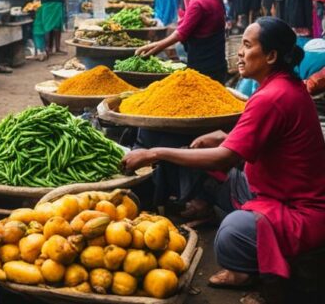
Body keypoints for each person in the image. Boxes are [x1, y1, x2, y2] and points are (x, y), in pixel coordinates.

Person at [123, 18, 325, 287]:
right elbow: (268, 142)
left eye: (247, 45)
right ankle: (207, 207)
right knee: (190, 154)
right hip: (268, 187)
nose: (240, 52)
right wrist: (226, 137)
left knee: (230, 233)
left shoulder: (272, 97)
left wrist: (154, 153)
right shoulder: (283, 85)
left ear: (271, 56)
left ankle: (245, 272)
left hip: (299, 210)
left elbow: (225, 157)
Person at [138, 0, 227, 81]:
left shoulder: (198, 4)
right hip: (218, 64)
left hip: (202, 66)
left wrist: (156, 47)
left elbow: (180, 34)